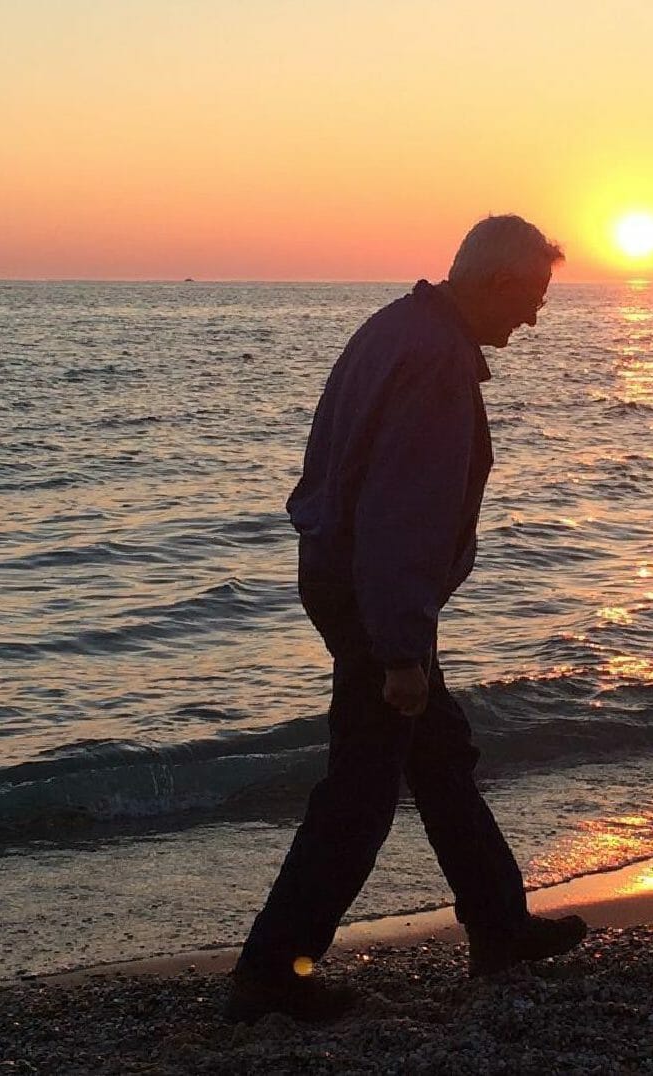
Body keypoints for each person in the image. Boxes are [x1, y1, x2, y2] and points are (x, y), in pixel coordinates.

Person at [226, 215, 588, 1024]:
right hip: (371, 592)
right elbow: (402, 514)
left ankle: (499, 926)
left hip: (347, 577)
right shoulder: (432, 360)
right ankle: (270, 972)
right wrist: (398, 650)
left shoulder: (399, 326)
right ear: (494, 284)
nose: (533, 318)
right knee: (361, 787)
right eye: (530, 298)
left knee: (440, 755)